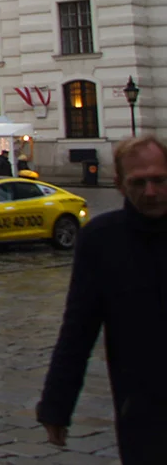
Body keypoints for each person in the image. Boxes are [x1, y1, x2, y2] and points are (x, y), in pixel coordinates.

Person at [38, 135, 167, 463]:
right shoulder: (101, 240)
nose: (150, 192)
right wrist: (57, 405)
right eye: (139, 182)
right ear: (120, 185)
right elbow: (78, 329)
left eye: (159, 180)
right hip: (143, 406)